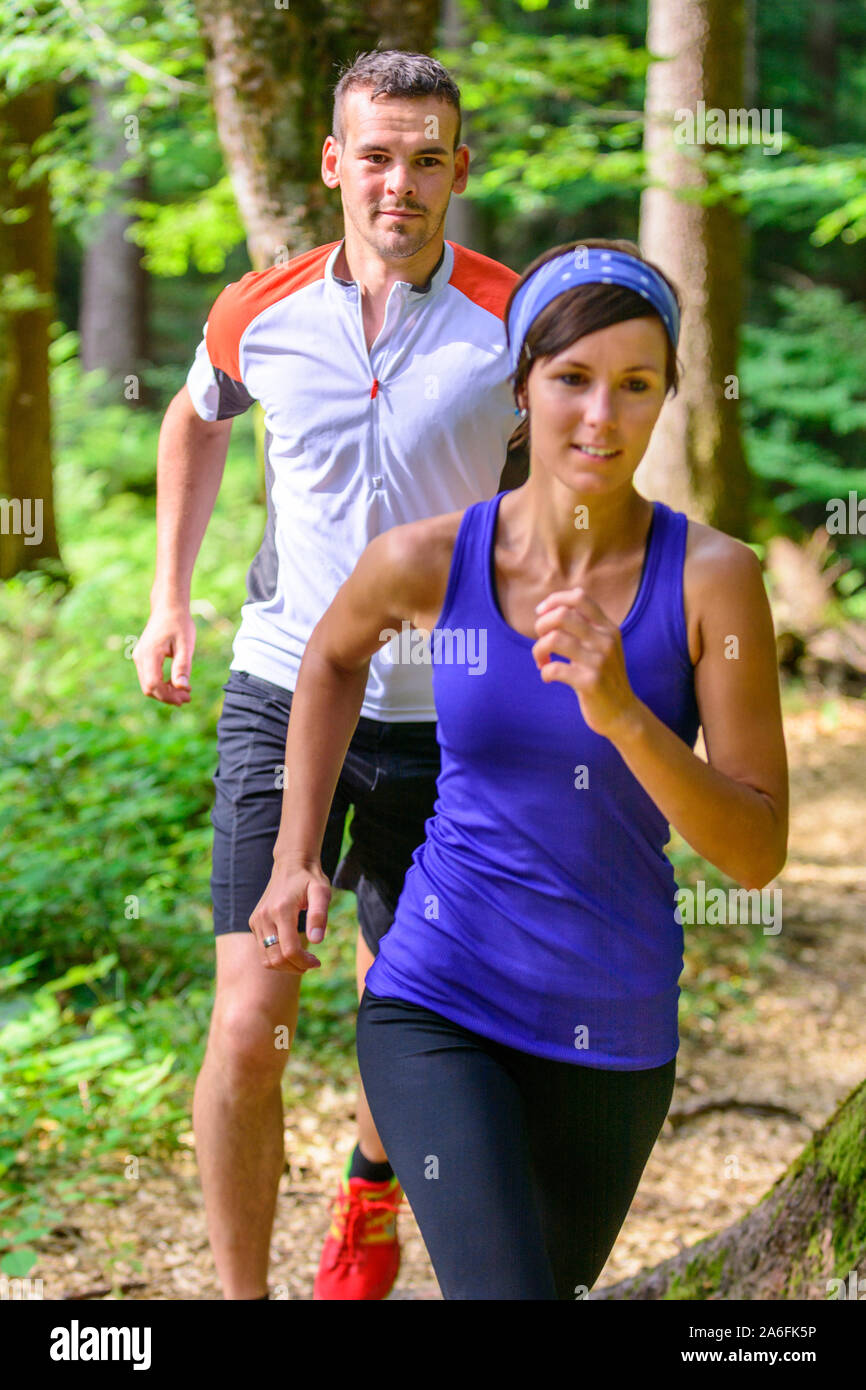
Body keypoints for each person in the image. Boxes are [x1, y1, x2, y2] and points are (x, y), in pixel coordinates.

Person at [250, 237, 790, 1299]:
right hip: (438, 996)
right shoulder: (431, 556)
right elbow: (327, 660)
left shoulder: (712, 580)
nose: (600, 416)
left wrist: (624, 715)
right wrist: (293, 854)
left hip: (613, 1023)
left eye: (634, 385)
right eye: (571, 380)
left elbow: (757, 851)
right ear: (520, 387)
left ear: (668, 395)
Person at [133, 50, 527, 1301]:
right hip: (278, 686)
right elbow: (193, 419)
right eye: (374, 156)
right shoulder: (261, 312)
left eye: (424, 160)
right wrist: (166, 599)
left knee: (404, 1003)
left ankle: (368, 1186)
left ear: (458, 169)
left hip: (450, 709)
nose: (396, 184)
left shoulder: (520, 319)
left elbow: (581, 466)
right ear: (332, 165)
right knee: (251, 1020)